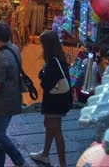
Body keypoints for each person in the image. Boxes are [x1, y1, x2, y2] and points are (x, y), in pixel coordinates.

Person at [0, 22, 29, 167]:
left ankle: (20, 161)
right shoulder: (14, 48)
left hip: (2, 103)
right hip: (12, 98)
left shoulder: (1, 58)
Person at [29, 30, 73, 167]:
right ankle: (45, 154)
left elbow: (46, 84)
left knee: (56, 130)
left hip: (54, 102)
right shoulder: (59, 58)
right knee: (49, 126)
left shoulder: (53, 62)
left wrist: (42, 76)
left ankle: (62, 163)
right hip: (59, 101)